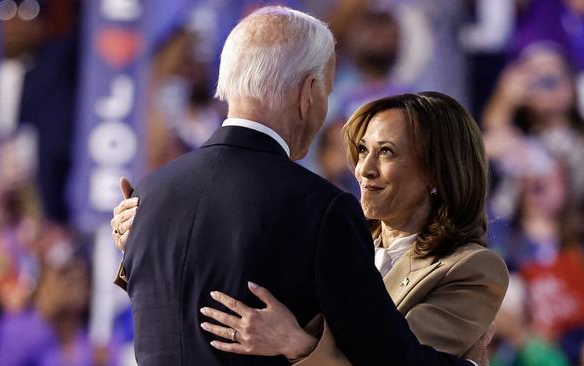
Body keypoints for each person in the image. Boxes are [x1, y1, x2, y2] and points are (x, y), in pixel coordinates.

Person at [113, 6, 491, 366]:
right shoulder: (321, 208)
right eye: (326, 92)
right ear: (307, 93)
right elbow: (384, 356)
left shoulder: (147, 198)